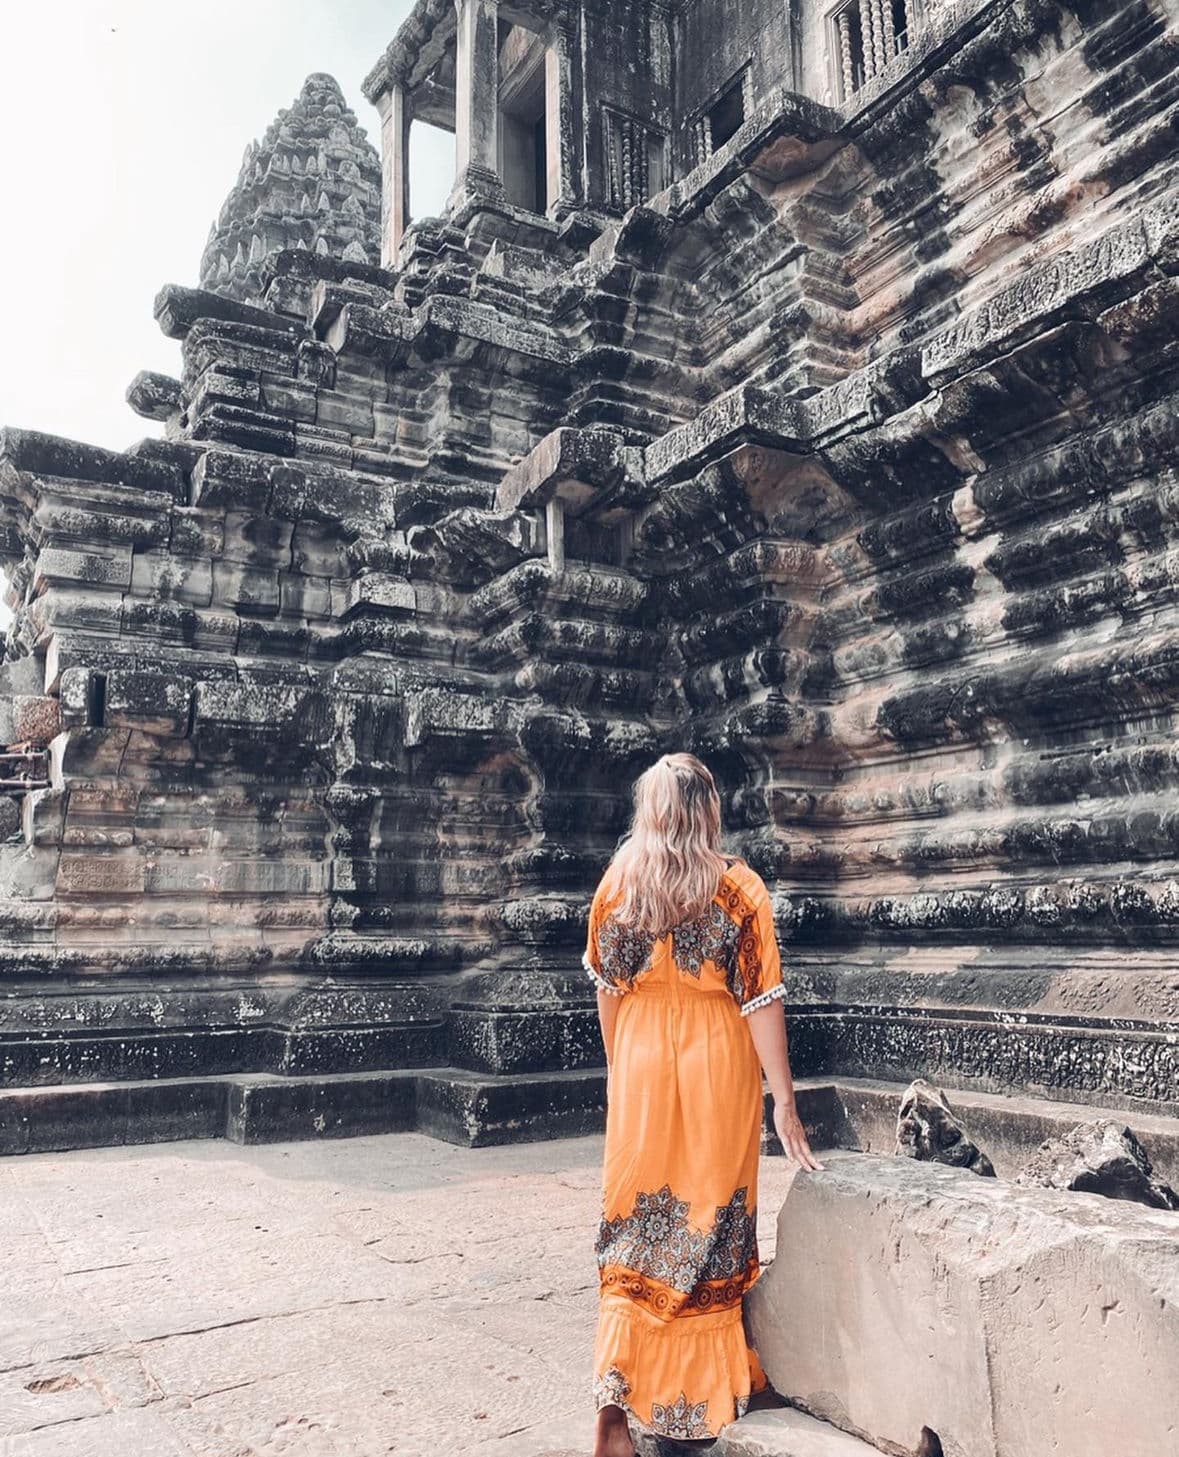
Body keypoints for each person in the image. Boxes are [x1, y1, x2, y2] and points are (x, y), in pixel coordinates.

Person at [583, 752, 823, 1456]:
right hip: (715, 1062)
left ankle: (615, 1393)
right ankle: (699, 1393)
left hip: (639, 1061)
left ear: (648, 811)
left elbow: (605, 986)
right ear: (709, 810)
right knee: (708, 1215)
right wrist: (784, 1098)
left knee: (633, 1225)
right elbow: (760, 1000)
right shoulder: (738, 890)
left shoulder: (618, 884)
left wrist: (619, 1065)